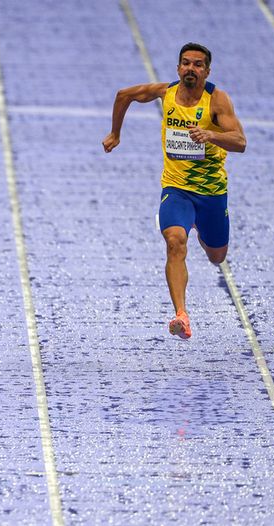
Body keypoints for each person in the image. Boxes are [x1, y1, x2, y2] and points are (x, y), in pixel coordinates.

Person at [102, 43, 246, 340]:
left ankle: (204, 232)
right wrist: (116, 132)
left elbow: (240, 141)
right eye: (185, 63)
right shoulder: (165, 93)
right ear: (178, 68)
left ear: (207, 70)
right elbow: (123, 95)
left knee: (217, 255)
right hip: (176, 189)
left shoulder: (217, 100)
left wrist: (211, 134)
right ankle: (181, 314)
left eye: (197, 64)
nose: (190, 69)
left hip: (211, 193)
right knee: (175, 241)